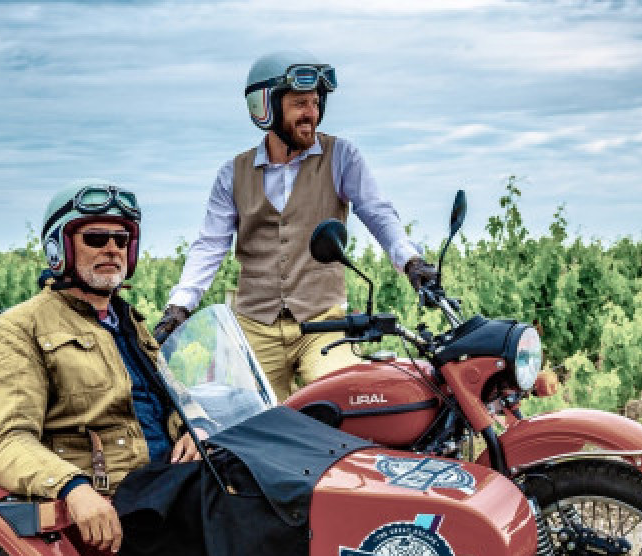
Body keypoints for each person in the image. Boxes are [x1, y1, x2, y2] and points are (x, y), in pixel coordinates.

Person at [154, 51, 438, 401]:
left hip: (323, 323)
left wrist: (411, 261)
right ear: (266, 107)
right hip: (254, 325)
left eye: (316, 103)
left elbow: (377, 212)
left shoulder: (341, 157)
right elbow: (210, 245)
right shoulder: (233, 173)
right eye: (300, 103)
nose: (311, 114)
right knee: (251, 422)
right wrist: (180, 305)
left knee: (343, 402)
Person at [0, 181, 206, 555]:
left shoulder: (128, 321)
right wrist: (74, 488)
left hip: (171, 477)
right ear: (60, 248)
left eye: (121, 239)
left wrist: (190, 428)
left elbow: (174, 395)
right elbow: (5, 442)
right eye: (97, 238)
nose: (112, 248)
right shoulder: (19, 328)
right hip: (123, 494)